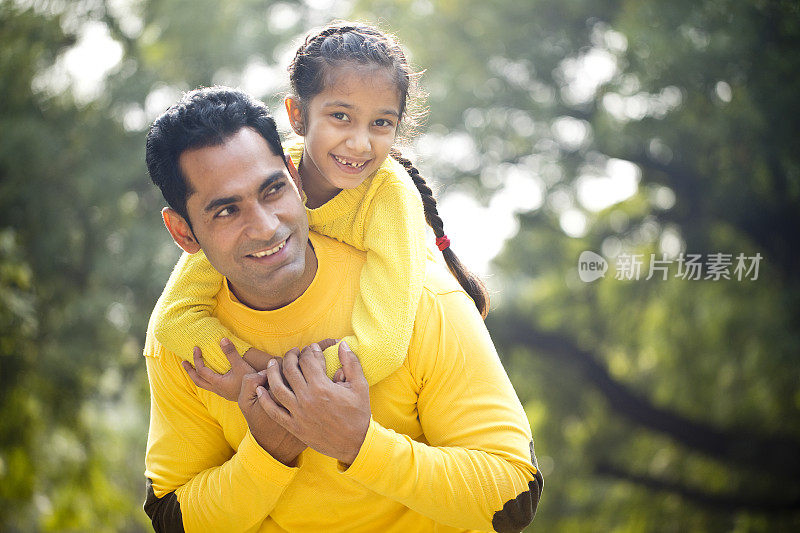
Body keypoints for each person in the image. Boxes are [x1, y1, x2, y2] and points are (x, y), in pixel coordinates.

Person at [143, 86, 542, 532]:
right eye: (226, 211)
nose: (265, 226)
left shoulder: (424, 301)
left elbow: (513, 498)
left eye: (273, 190)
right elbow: (171, 519)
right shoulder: (181, 346)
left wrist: (359, 445)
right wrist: (270, 452)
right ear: (183, 233)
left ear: (295, 177)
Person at [150, 22, 489, 393]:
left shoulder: (390, 197)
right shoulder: (264, 183)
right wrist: (258, 368)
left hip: (430, 355)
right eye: (341, 116)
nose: (360, 144)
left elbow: (382, 348)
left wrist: (274, 384)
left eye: (381, 123)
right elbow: (174, 320)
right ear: (297, 115)